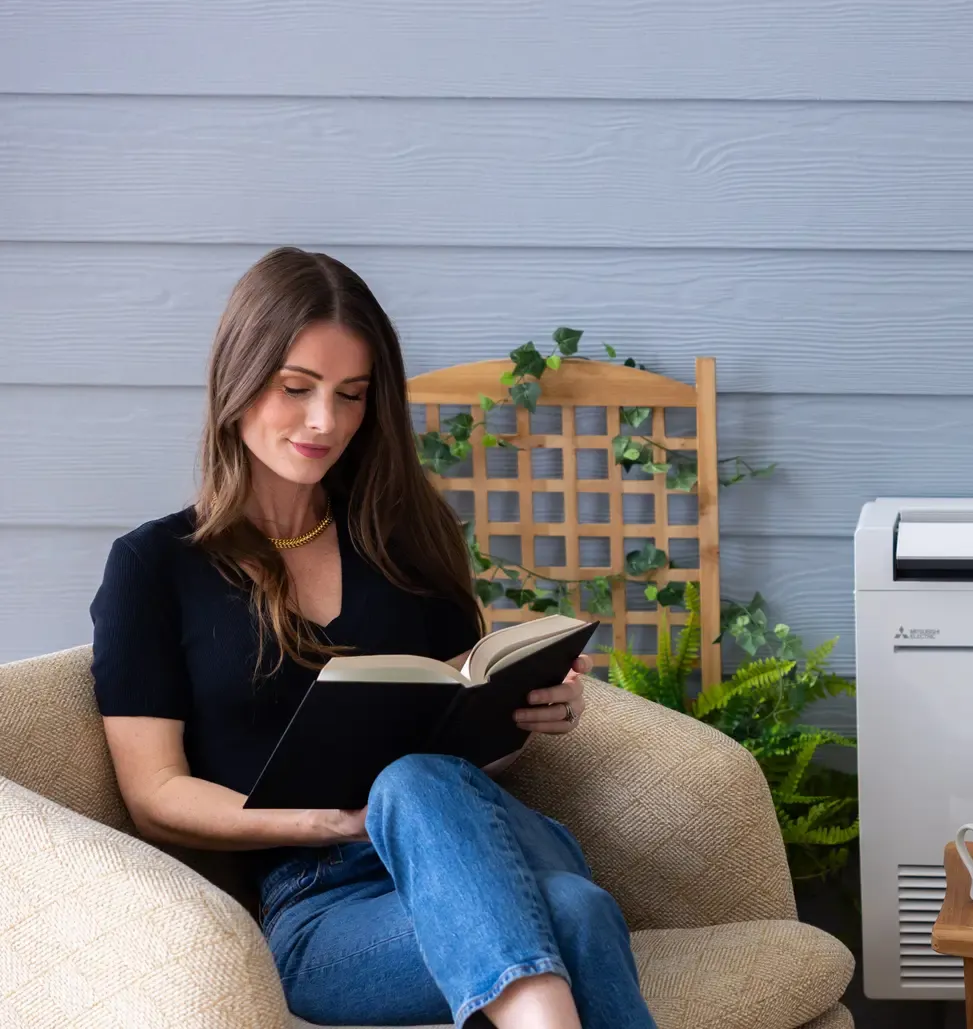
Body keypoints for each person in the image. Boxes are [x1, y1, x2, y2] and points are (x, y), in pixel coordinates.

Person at [87, 247, 658, 1029]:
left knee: (418, 781)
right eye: (297, 388)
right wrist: (325, 821)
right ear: (238, 377)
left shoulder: (403, 540)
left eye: (351, 396)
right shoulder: (154, 567)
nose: (326, 421)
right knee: (575, 910)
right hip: (320, 904)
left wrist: (532, 714)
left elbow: (465, 741)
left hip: (478, 843)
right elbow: (156, 796)